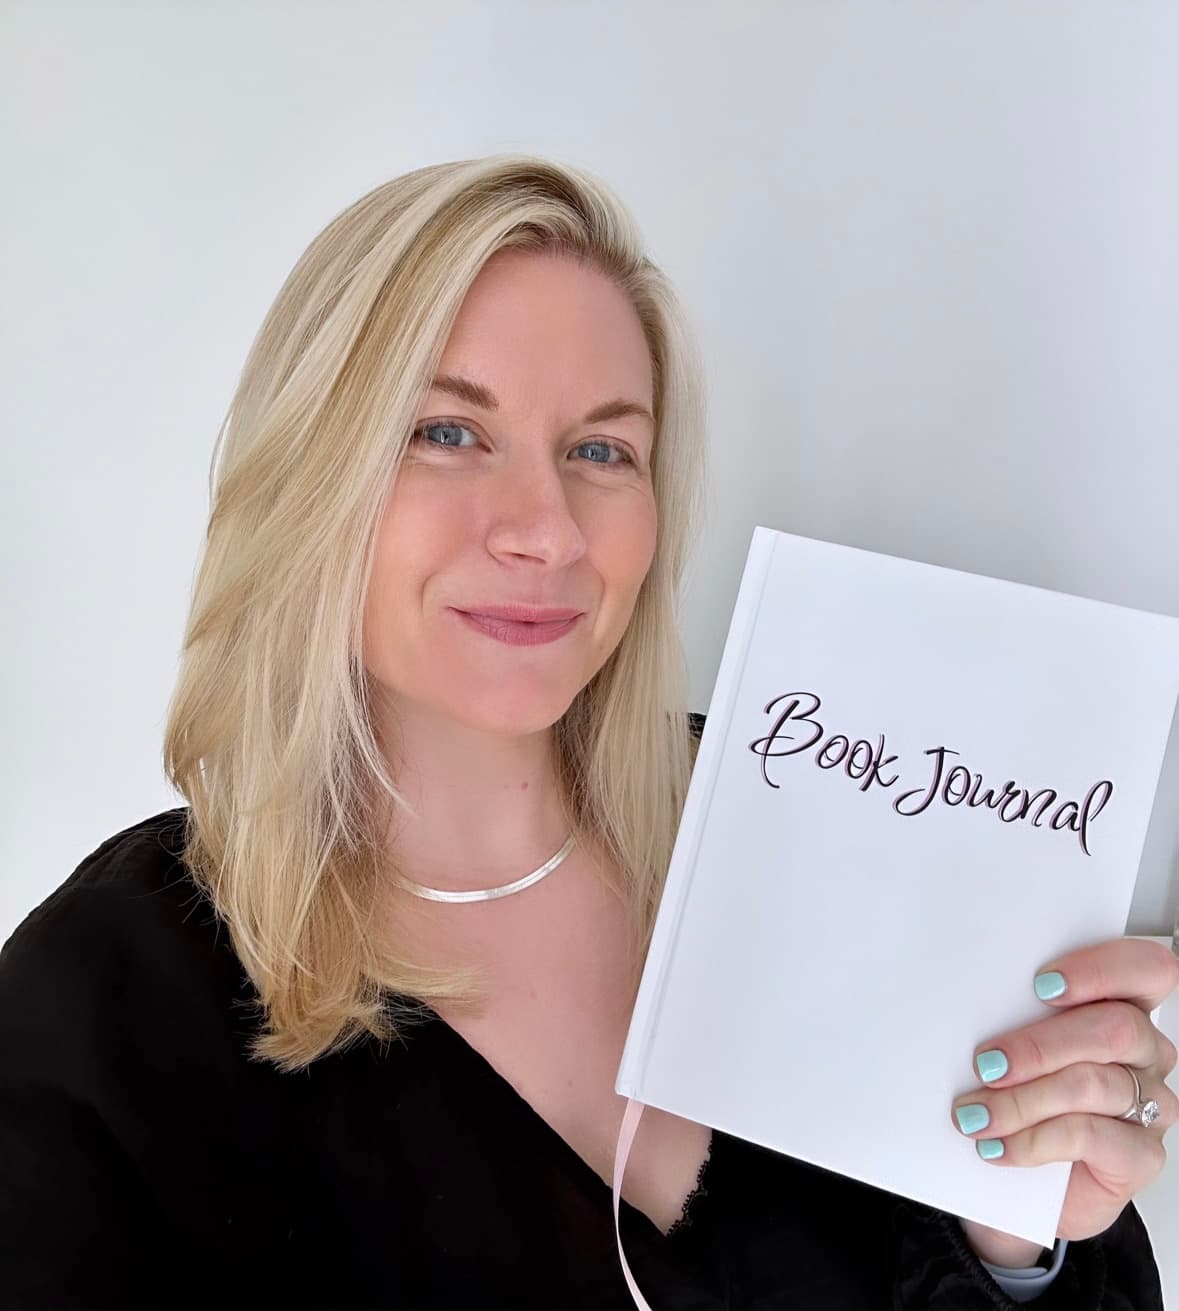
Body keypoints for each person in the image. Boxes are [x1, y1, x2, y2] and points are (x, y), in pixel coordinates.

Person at [0, 154, 1174, 1311]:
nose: (548, 530)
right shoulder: (103, 1002)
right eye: (447, 432)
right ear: (310, 470)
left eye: (602, 450)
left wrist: (1017, 1245)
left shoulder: (821, 810)